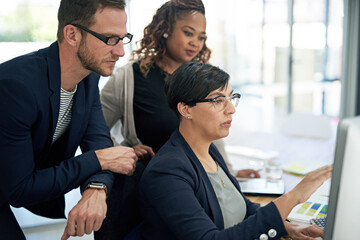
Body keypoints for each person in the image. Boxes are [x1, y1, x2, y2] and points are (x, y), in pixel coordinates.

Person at [97, 1, 257, 239]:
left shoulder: (202, 80)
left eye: (201, 37)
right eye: (188, 33)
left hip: (195, 190)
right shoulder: (129, 77)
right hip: (149, 191)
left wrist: (227, 177)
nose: (196, 42)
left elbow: (210, 137)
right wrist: (123, 150)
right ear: (165, 29)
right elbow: (95, 128)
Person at [138, 61, 333, 239]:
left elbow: (243, 208)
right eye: (217, 100)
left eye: (231, 98)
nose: (231, 109)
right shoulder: (167, 171)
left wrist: (286, 228)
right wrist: (293, 196)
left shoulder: (210, 151)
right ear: (186, 109)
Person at [0, 0, 138, 239]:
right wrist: (97, 160)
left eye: (122, 38)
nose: (120, 51)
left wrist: (97, 187)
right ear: (72, 34)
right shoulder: (16, 87)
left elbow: (100, 145)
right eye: (109, 39)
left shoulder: (88, 78)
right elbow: (20, 188)